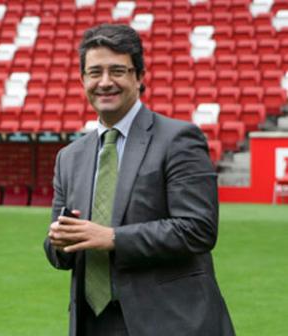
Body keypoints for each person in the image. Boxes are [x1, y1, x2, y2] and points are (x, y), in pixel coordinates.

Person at [44, 24, 235, 336]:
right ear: (82, 80)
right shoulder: (69, 157)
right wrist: (59, 242)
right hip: (92, 323)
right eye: (95, 72)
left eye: (117, 70)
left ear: (139, 77)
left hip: (169, 322)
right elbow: (58, 252)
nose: (105, 82)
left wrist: (114, 238)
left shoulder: (178, 139)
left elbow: (198, 229)